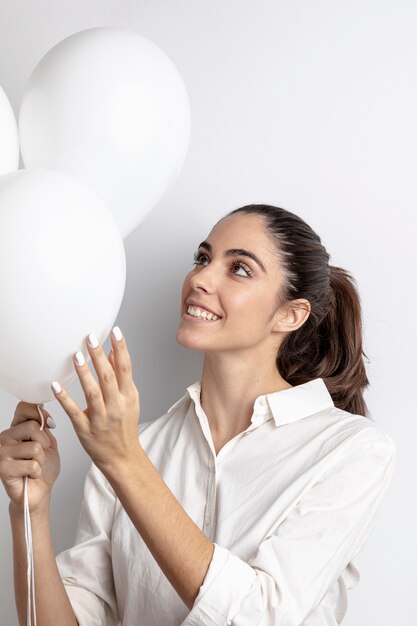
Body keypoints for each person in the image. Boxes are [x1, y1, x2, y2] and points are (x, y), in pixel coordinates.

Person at [0, 204, 397, 626]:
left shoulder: (352, 451)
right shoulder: (137, 449)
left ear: (290, 314)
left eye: (240, 268)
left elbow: (260, 617)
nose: (200, 279)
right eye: (203, 259)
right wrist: (31, 511)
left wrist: (124, 461)